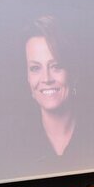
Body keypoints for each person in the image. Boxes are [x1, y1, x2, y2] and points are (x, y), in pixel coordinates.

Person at [24, 16, 76, 158]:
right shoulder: (6, 139)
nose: (46, 79)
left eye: (56, 66)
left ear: (71, 72)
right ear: (27, 77)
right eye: (35, 68)